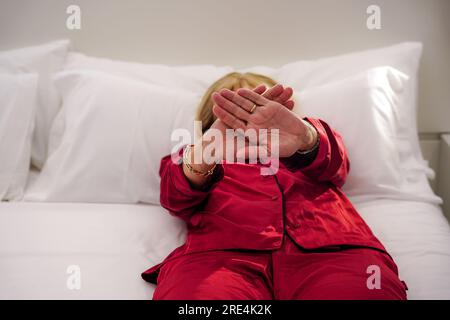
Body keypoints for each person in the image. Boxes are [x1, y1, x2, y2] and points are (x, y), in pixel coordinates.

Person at [141, 72, 408, 300]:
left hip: (334, 253)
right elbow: (174, 196)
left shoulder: (311, 148)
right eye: (233, 114)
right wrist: (201, 158)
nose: (247, 123)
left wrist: (306, 138)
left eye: (258, 110)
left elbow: (337, 163)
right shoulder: (192, 156)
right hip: (218, 261)